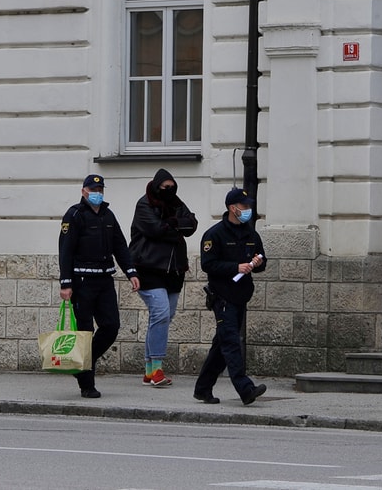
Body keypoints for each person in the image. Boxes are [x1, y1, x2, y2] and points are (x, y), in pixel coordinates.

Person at [59, 174, 140, 398]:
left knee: (111, 326)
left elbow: (120, 246)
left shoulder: (108, 215)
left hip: (104, 280)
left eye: (100, 189)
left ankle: (84, 362)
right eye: (93, 189)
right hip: (82, 281)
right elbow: (65, 251)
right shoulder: (75, 215)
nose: (97, 193)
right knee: (85, 332)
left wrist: (131, 271)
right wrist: (65, 283)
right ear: (83, 190)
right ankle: (87, 385)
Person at [193, 188, 267, 406]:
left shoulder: (251, 234)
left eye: (248, 206)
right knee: (232, 343)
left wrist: (258, 263)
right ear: (232, 208)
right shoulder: (214, 234)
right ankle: (245, 389)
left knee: (221, 345)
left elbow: (262, 258)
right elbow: (208, 264)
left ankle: (203, 389)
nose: (247, 210)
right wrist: (235, 266)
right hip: (222, 297)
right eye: (244, 207)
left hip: (241, 296)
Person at [129, 169, 198, 387]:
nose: (169, 191)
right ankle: (157, 369)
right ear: (157, 185)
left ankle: (149, 370)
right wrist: (177, 225)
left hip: (173, 270)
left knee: (164, 317)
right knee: (160, 313)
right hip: (148, 268)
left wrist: (173, 224)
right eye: (164, 187)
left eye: (172, 187)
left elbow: (192, 224)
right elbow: (156, 229)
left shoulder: (176, 202)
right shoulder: (144, 204)